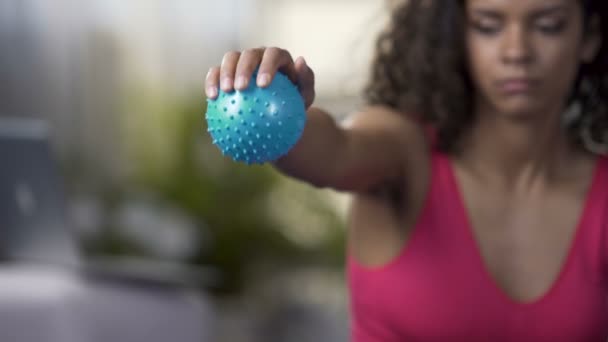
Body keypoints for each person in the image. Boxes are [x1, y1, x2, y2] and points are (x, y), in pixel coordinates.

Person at [204, 0, 608, 340]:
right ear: (459, 35)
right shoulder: (403, 150)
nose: (516, 50)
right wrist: (281, 99)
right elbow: (333, 152)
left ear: (588, 37)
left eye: (548, 25)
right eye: (488, 26)